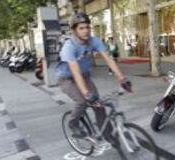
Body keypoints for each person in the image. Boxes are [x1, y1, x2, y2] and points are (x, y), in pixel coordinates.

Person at [55, 13, 132, 155]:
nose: (86, 31)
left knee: (99, 105)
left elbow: (108, 59)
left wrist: (122, 78)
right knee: (83, 101)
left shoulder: (94, 41)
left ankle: (108, 135)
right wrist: (86, 94)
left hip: (84, 76)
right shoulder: (69, 47)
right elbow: (75, 72)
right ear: (74, 30)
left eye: (88, 27)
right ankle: (73, 123)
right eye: (81, 28)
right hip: (66, 78)